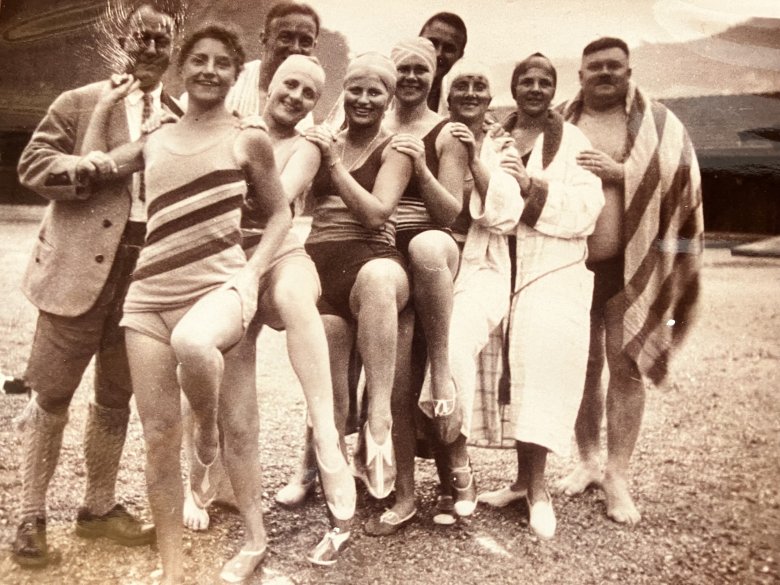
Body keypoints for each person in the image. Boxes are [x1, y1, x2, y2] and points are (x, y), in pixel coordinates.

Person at [80, 24, 292, 584]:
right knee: (155, 440)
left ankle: (219, 457)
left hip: (218, 290)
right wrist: (108, 102)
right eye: (198, 60)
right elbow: (97, 165)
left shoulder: (249, 138)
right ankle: (171, 570)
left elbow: (279, 215)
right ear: (181, 67)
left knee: (204, 363)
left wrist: (250, 277)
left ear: (236, 72)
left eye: (222, 63)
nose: (209, 70)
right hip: (147, 298)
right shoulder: (155, 138)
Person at [11, 1, 180, 567]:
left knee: (116, 394)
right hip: (77, 270)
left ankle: (98, 507)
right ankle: (30, 516)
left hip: (144, 273)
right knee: (52, 393)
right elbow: (33, 167)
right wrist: (98, 167)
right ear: (123, 42)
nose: (151, 49)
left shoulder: (182, 115)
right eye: (143, 38)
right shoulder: (80, 101)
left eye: (162, 40)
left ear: (172, 49)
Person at [555, 38, 703, 525]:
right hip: (571, 266)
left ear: (629, 71)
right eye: (594, 65)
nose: (604, 73)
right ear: (579, 75)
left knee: (625, 367)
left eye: (613, 66)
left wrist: (622, 172)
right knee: (580, 364)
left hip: (631, 266)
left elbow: (683, 179)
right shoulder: (561, 120)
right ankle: (588, 459)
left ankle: (617, 474)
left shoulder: (659, 123)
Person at [476, 54, 604, 540]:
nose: (534, 88)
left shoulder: (572, 141)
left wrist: (532, 186)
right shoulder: (495, 138)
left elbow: (587, 209)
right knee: (509, 372)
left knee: (543, 366)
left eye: (543, 81)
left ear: (554, 89)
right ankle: (518, 482)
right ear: (514, 87)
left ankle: (539, 489)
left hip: (552, 264)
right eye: (525, 80)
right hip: (499, 262)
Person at [303, 51, 412, 562]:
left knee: (376, 279)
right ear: (342, 92)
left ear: (390, 99)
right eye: (356, 90)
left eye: (376, 92)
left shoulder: (398, 146)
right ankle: (337, 509)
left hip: (374, 260)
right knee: (330, 393)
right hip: (322, 267)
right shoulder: (322, 139)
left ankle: (381, 420)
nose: (364, 100)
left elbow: (376, 213)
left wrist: (330, 165)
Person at [361, 37, 469, 536]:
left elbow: (450, 213)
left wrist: (420, 166)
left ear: (433, 77)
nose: (409, 78)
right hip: (386, 251)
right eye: (401, 68)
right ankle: (404, 493)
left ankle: (443, 374)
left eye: (419, 71)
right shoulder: (373, 123)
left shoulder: (447, 130)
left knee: (426, 246)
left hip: (433, 247)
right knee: (398, 369)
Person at [416, 59, 522, 525]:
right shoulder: (434, 134)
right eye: (462, 85)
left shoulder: (503, 145)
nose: (472, 92)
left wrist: (476, 156)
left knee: (453, 345)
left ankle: (458, 465)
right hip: (431, 262)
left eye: (481, 84)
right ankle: (435, 478)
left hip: (481, 267)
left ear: (491, 95)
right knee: (411, 354)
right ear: (447, 93)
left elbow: (505, 214)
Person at [418, 12, 468, 113]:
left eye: (449, 48)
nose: (438, 54)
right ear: (418, 42)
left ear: (460, 56)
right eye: (432, 43)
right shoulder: (387, 90)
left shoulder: (461, 107)